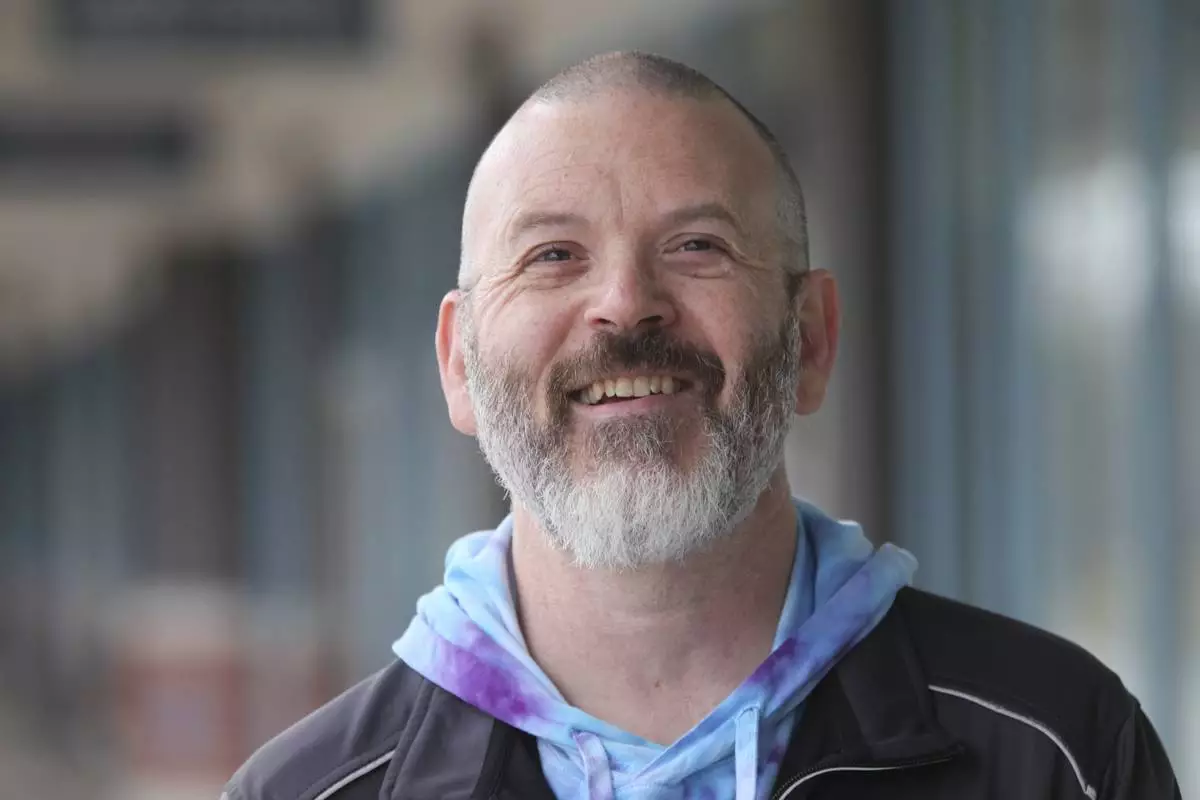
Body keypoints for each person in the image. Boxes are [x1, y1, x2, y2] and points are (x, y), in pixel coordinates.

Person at [223, 52, 1179, 800]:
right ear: (458, 364)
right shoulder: (301, 793)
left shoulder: (1060, 753)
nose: (626, 305)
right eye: (553, 255)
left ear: (810, 338)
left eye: (697, 247)